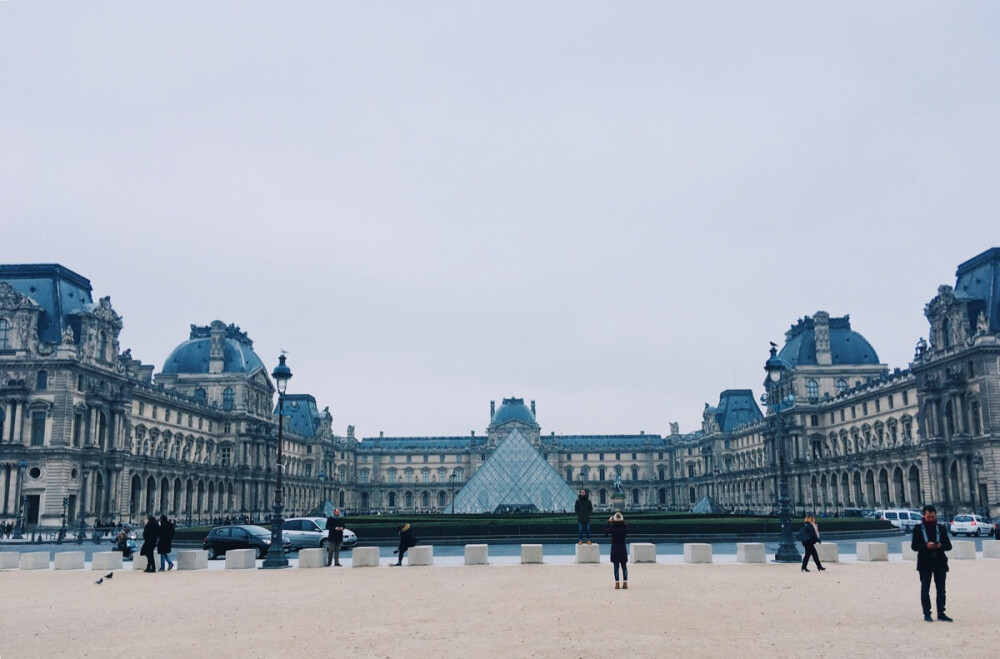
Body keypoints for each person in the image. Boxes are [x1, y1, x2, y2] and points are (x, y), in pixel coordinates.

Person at [911, 504, 953, 622]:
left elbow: (949, 546)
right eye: (928, 517)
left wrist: (940, 546)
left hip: (939, 561)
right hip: (925, 562)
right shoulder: (918, 529)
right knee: (925, 589)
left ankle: (941, 612)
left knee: (941, 589)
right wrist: (925, 546)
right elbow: (914, 546)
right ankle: (927, 613)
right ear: (924, 516)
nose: (930, 519)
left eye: (932, 517)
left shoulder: (941, 528)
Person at [604, 512, 630, 590]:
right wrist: (624, 523)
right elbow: (628, 529)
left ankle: (617, 584)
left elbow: (605, 532)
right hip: (622, 548)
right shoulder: (624, 528)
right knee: (624, 567)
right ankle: (625, 583)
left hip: (615, 548)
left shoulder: (612, 528)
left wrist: (609, 522)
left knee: (616, 567)